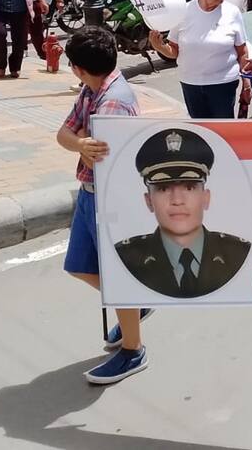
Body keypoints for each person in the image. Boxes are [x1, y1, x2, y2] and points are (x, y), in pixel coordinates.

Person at [56, 26, 149, 385]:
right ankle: (135, 305)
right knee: (79, 265)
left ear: (79, 68)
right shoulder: (90, 89)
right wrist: (81, 143)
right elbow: (64, 134)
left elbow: (107, 162)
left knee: (117, 274)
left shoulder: (114, 102)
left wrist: (80, 142)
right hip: (89, 192)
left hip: (111, 200)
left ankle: (133, 350)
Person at [115, 127, 251, 299]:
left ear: (205, 197)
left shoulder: (238, 254)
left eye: (189, 187)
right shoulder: (125, 258)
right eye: (163, 188)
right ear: (149, 200)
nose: (177, 200)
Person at [148, 0, 248, 119]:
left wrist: (246, 84)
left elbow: (242, 51)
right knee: (200, 132)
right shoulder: (183, 12)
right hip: (191, 84)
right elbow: (174, 50)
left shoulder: (232, 12)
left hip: (223, 85)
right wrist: (159, 47)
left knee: (223, 132)